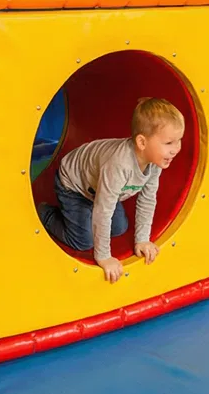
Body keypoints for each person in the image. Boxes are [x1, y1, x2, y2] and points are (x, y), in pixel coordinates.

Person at [36, 97, 185, 283]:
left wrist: (142, 239)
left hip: (99, 189)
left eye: (179, 141)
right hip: (74, 185)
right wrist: (104, 256)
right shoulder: (119, 164)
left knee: (120, 228)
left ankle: (84, 214)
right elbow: (103, 210)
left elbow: (147, 199)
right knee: (83, 241)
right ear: (142, 142)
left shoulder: (154, 162)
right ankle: (45, 213)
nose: (176, 149)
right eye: (169, 143)